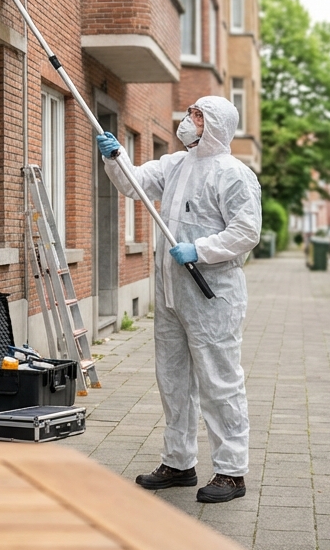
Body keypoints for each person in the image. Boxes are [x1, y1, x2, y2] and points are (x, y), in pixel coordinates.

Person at [95, 96, 262, 503]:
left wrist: (200, 249)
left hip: (213, 297)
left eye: (198, 115)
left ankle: (231, 471)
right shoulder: (174, 164)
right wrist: (115, 158)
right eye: (190, 113)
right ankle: (179, 462)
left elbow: (246, 232)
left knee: (219, 383)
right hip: (171, 294)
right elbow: (132, 184)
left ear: (217, 124)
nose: (188, 120)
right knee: (173, 382)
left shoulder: (234, 175)